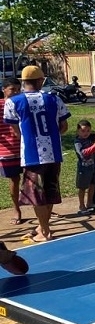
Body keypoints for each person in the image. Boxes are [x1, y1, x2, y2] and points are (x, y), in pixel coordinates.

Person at [3, 65, 70, 243]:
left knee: (36, 195)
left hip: (32, 154)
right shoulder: (54, 99)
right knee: (50, 192)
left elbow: (16, 131)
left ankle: (45, 231)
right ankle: (43, 227)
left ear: (23, 82)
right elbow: (64, 127)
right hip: (54, 153)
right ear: (40, 80)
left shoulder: (13, 102)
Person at [0, 78, 24, 225]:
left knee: (33, 180)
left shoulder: (21, 104)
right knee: (14, 180)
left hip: (26, 148)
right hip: (8, 150)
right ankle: (16, 209)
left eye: (17, 89)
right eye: (12, 89)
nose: (15, 92)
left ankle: (40, 207)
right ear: (4, 90)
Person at [74, 120, 95, 215]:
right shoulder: (78, 142)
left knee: (93, 184)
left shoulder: (90, 137)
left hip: (92, 166)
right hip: (83, 168)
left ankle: (89, 203)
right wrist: (94, 146)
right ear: (78, 131)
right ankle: (82, 206)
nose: (86, 133)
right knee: (82, 187)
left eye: (88, 131)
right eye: (83, 131)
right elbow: (82, 154)